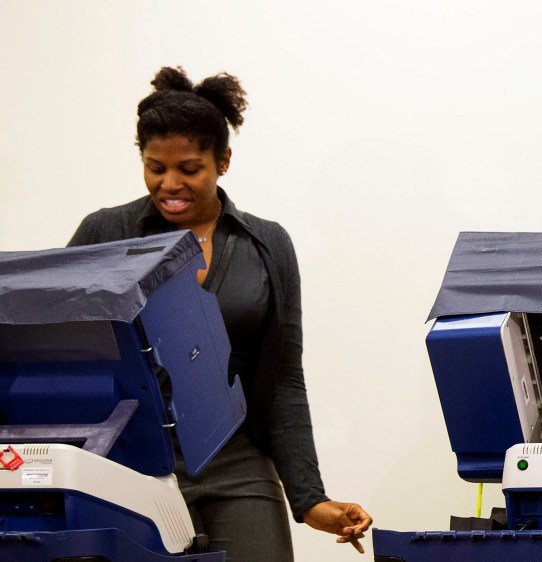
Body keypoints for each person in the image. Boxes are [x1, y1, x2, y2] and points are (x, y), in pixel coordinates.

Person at [68, 67, 372, 560]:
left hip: (237, 462)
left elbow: (282, 379)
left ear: (223, 161)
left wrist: (310, 498)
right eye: (154, 167)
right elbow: (68, 360)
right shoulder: (105, 234)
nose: (170, 184)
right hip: (132, 466)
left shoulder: (266, 244)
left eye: (190, 169)